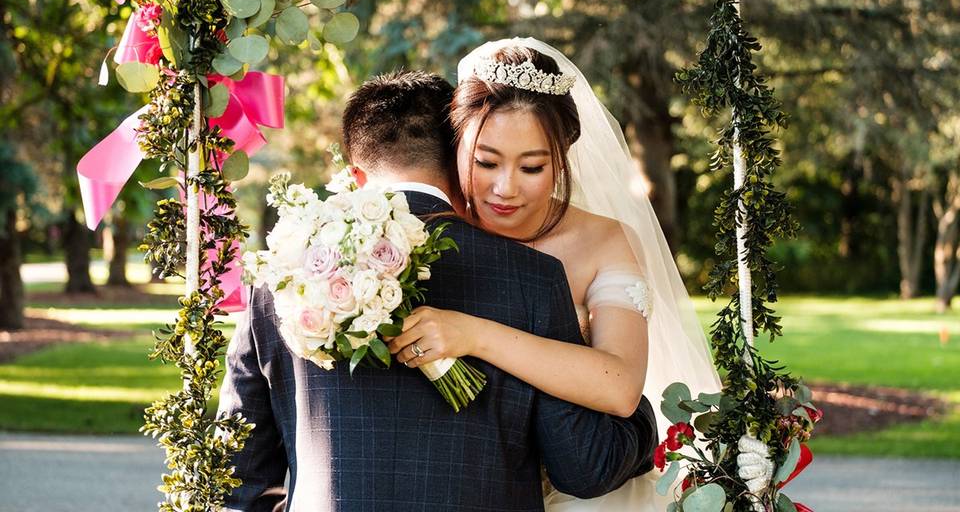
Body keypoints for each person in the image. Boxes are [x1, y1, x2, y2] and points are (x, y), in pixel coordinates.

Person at [217, 69, 659, 511]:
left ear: (355, 174)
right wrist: (642, 422)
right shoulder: (535, 277)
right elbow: (583, 465)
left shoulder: (282, 273)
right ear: (460, 158)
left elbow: (238, 476)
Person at [387, 40, 723, 511]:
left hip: (575, 488)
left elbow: (622, 385)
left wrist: (473, 334)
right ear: (457, 145)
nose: (505, 188)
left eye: (532, 167)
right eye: (485, 162)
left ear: (562, 156)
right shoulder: (416, 233)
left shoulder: (602, 241)